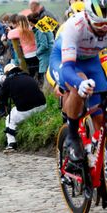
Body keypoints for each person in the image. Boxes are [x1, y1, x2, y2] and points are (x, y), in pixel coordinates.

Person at [48, 0, 107, 162]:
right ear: (88, 18)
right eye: (99, 25)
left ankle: (96, 160)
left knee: (100, 116)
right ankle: (72, 136)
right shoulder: (74, 26)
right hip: (64, 58)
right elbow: (67, 69)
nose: (104, 30)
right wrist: (79, 84)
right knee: (79, 84)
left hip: (90, 60)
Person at [0, 64, 46, 153]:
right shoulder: (27, 76)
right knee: (15, 110)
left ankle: (11, 144)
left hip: (26, 110)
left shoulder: (8, 81)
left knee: (9, 118)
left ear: (7, 73)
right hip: (42, 105)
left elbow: (1, 98)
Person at [27, 12, 54, 87]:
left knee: (47, 77)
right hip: (50, 53)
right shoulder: (44, 26)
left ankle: (50, 93)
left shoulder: (39, 30)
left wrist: (37, 53)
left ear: (30, 22)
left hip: (46, 56)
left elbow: (44, 45)